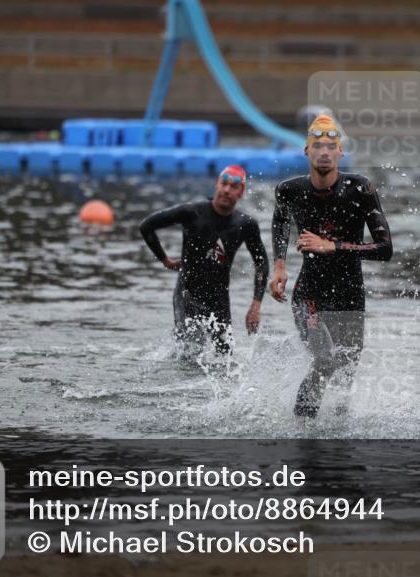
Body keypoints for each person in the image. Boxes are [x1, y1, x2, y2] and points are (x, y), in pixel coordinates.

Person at [270, 115, 393, 418]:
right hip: (309, 294)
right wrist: (280, 265)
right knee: (324, 362)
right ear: (306, 152)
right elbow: (280, 223)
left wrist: (332, 246)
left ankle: (338, 438)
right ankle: (303, 432)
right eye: (317, 146)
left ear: (340, 153)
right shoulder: (289, 190)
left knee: (346, 373)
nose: (324, 152)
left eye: (331, 146)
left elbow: (385, 249)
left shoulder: (360, 188)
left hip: (350, 294)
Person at [140, 165, 268, 354]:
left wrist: (256, 304)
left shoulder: (246, 225)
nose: (226, 190)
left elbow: (261, 262)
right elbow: (146, 226)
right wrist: (165, 260)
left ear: (241, 192)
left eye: (233, 187)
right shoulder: (192, 213)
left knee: (225, 357)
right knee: (189, 354)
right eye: (223, 184)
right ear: (217, 185)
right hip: (187, 294)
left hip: (219, 299)